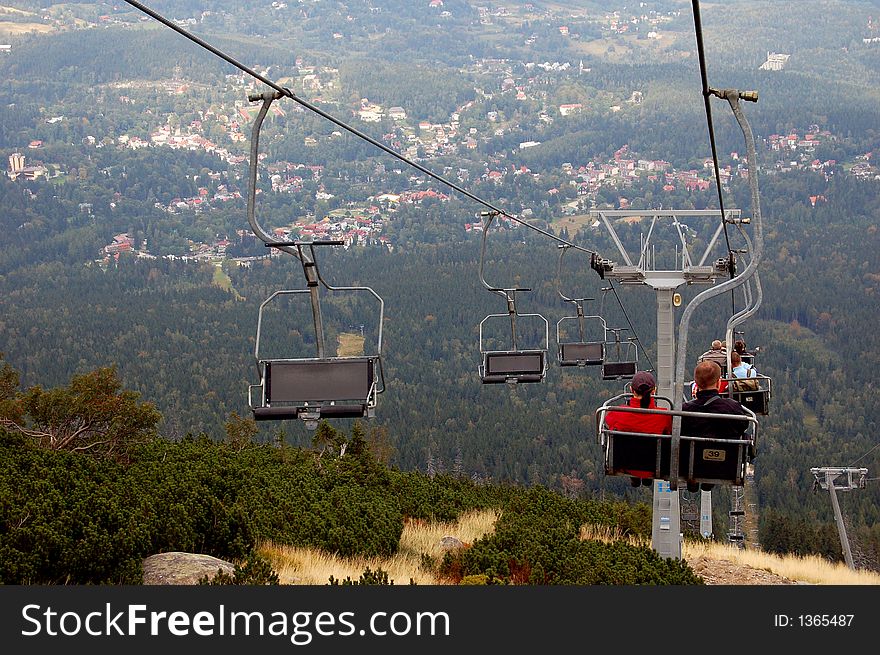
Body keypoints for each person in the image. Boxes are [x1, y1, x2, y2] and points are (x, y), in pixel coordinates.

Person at [681, 361, 751, 491]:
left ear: (696, 383)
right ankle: (711, 476)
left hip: (693, 463)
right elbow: (743, 425)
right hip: (725, 464)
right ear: (719, 383)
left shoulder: (684, 410)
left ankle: (693, 476)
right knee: (744, 437)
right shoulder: (732, 407)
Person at [604, 371, 672, 486]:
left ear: (631, 390)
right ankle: (646, 474)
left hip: (626, 464)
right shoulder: (664, 416)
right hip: (655, 464)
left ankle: (635, 475)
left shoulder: (617, 413)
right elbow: (670, 432)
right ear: (654, 390)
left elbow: (608, 424)